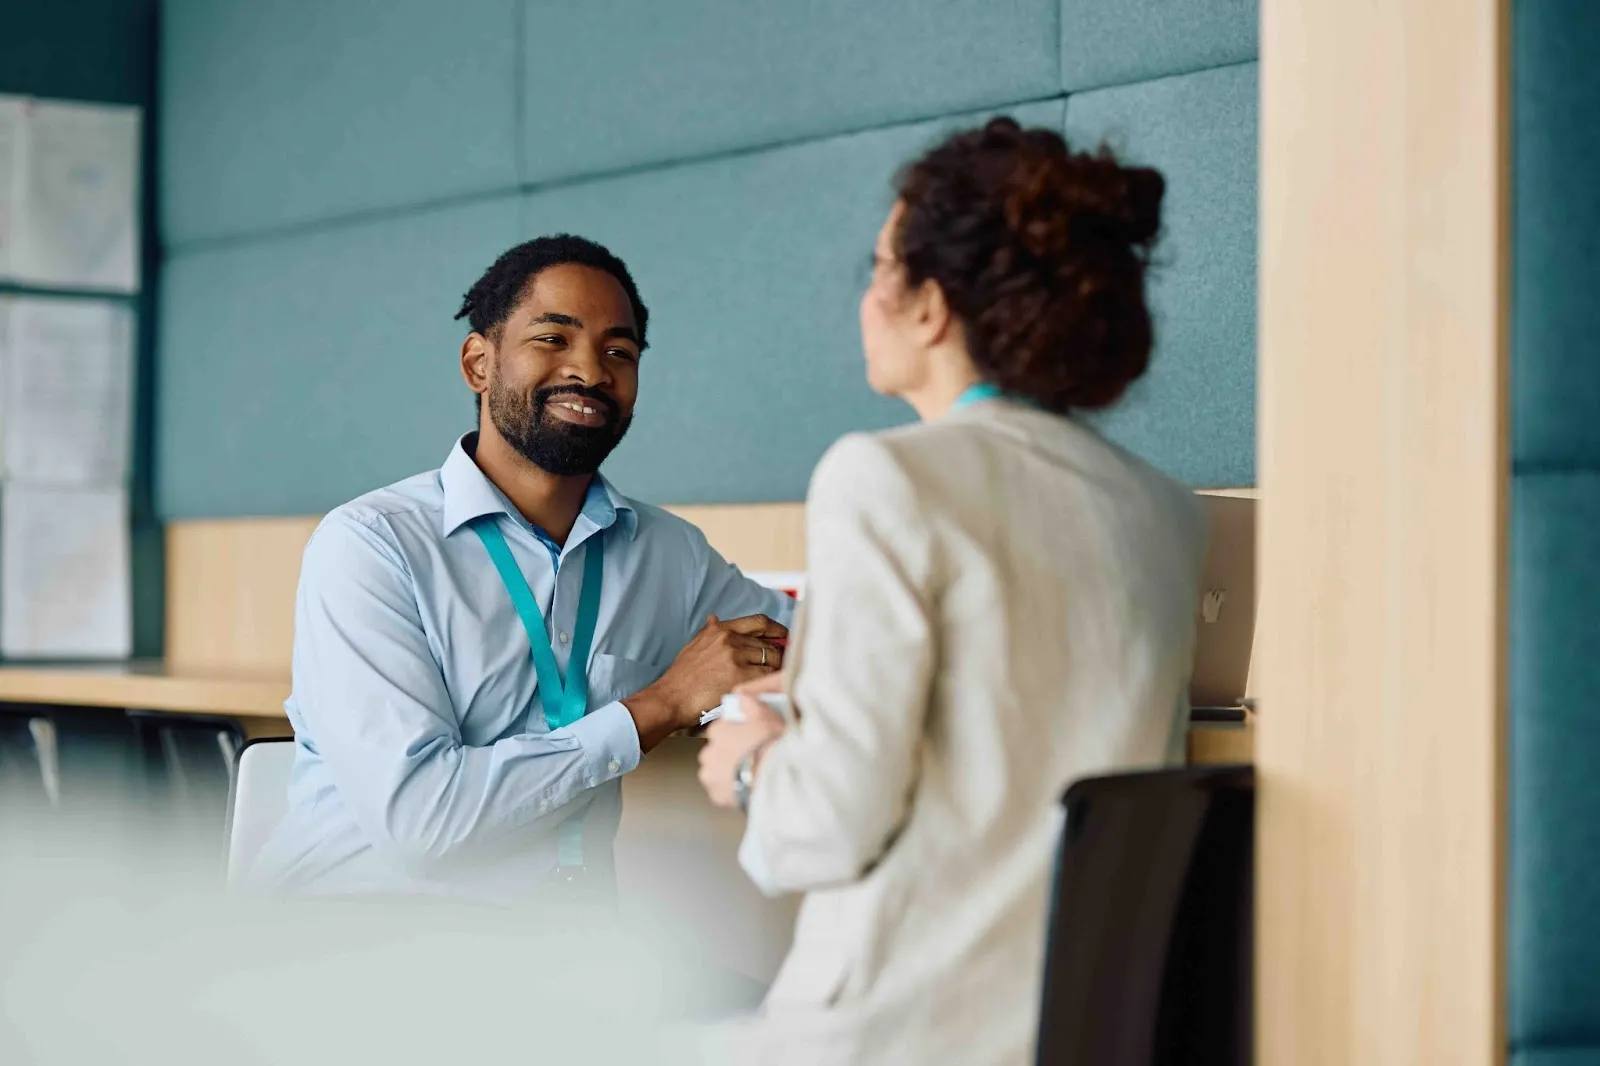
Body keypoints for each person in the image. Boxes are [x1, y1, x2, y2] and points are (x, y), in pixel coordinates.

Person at [696, 119, 1208, 1064]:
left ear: (929, 307)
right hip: (1070, 1033)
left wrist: (751, 762)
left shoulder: (885, 480)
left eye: (879, 265)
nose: (866, 295)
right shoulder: (1165, 513)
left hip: (894, 1028)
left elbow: (826, 829)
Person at [251, 235, 793, 901]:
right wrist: (660, 705)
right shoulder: (371, 545)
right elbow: (424, 825)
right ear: (479, 363)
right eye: (553, 339)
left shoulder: (667, 553)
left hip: (561, 951)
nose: (591, 372)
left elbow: (809, 642)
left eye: (618, 352)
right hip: (357, 942)